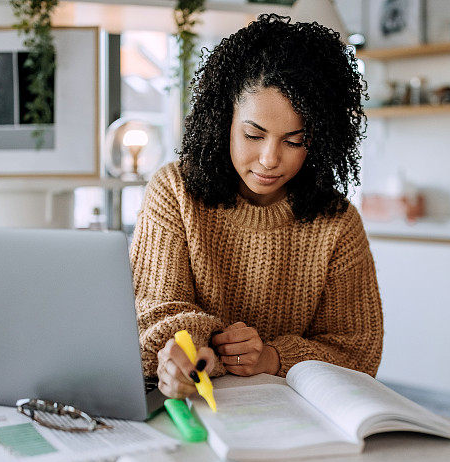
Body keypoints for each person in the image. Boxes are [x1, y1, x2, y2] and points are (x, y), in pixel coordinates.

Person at [130, 14, 383, 400]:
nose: (269, 159)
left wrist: (272, 357)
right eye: (253, 134)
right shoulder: (174, 191)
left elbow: (358, 353)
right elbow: (154, 308)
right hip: (187, 406)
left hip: (291, 419)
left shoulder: (338, 224)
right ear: (223, 120)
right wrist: (187, 351)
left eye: (294, 141)